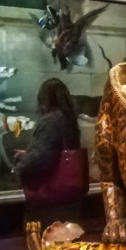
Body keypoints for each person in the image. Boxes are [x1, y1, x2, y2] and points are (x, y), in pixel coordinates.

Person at [14, 78, 86, 227]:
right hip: (69, 198)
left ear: (43, 99)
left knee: (45, 243)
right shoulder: (69, 119)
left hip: (50, 201)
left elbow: (41, 158)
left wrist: (21, 159)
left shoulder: (51, 121)